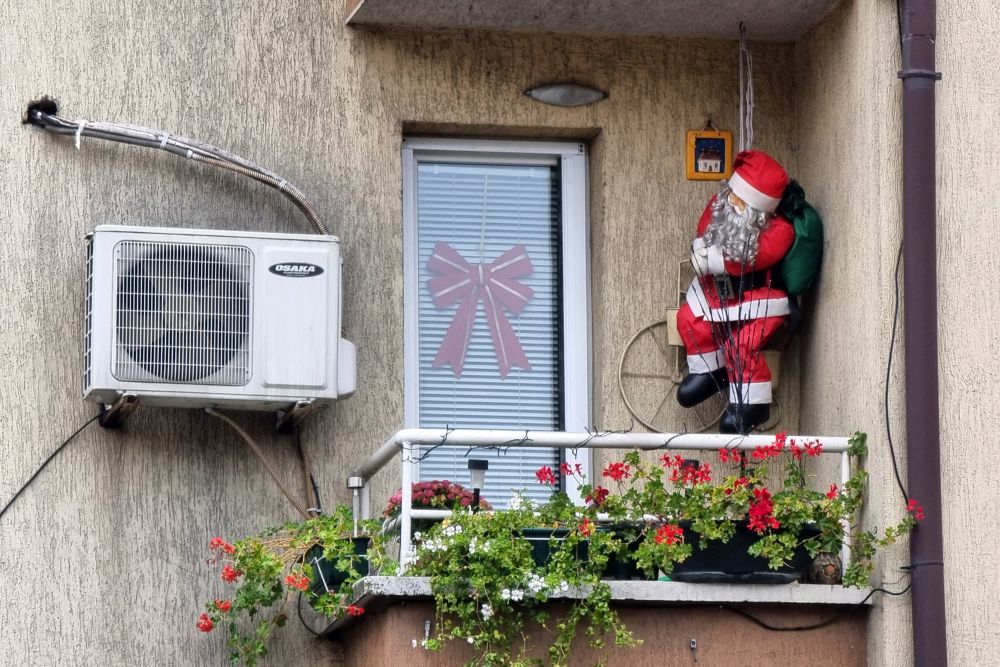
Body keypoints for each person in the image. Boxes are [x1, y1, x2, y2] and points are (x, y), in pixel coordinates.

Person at [675, 150, 794, 434]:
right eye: (733, 196)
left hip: (759, 299)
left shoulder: (780, 230)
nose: (733, 203)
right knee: (689, 318)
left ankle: (754, 404)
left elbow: (748, 260)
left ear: (760, 210)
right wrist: (700, 250)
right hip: (719, 291)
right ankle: (708, 369)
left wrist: (710, 259)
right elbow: (705, 230)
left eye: (742, 201)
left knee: (742, 344)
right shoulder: (720, 207)